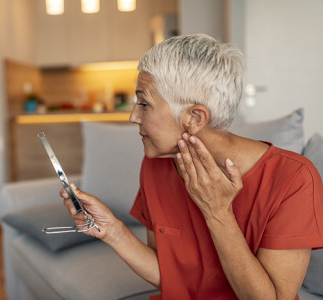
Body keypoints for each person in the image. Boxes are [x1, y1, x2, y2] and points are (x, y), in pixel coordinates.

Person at [60, 34, 323, 299]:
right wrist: (112, 231)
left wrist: (218, 213)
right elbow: (171, 278)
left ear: (195, 117)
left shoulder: (294, 179)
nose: (133, 116)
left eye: (144, 103)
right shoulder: (156, 166)